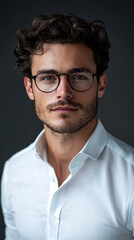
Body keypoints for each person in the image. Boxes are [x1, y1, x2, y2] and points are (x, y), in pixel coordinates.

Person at [1, 13, 134, 240]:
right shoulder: (14, 172)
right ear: (29, 88)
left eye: (79, 77)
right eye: (48, 78)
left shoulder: (130, 178)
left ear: (100, 84)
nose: (63, 92)